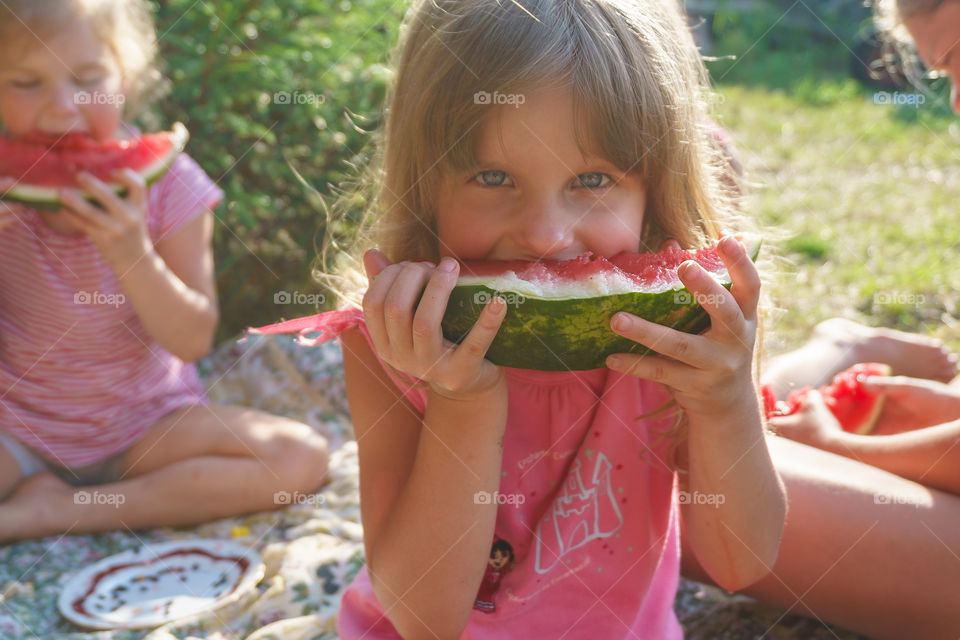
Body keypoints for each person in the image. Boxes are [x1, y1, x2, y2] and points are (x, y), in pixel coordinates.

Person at [276, 0, 787, 637]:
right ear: (425, 184)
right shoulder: (390, 342)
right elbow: (422, 616)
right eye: (494, 176)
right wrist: (462, 403)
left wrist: (726, 404)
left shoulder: (684, 339)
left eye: (593, 179)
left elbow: (741, 562)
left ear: (656, 189)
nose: (546, 236)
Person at [0, 0, 329, 543]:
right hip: (18, 430)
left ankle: (58, 512)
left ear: (125, 77)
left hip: (148, 429)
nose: (61, 109)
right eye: (25, 82)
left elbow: (193, 337)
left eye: (87, 79)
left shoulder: (171, 184)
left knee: (298, 458)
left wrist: (132, 253)